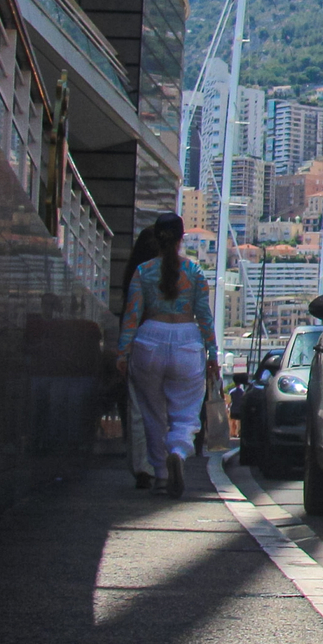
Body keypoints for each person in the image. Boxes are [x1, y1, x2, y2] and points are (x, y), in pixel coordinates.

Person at [114, 213, 217, 498]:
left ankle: (160, 474)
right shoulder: (195, 272)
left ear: (157, 238)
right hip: (187, 340)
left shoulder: (143, 271)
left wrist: (123, 353)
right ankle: (178, 450)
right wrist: (212, 354)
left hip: (149, 340)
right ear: (182, 238)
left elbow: (132, 316)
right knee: (185, 413)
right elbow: (205, 317)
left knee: (151, 413)